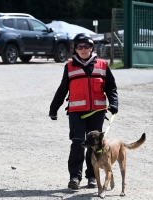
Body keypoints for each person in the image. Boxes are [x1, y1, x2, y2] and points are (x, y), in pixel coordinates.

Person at [49, 33, 118, 190]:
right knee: (78, 143)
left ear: (92, 47)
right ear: (75, 50)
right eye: (80, 47)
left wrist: (114, 103)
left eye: (86, 46)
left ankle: (92, 176)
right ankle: (75, 177)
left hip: (97, 112)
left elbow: (111, 87)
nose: (83, 49)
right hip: (77, 112)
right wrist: (54, 108)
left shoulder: (102, 65)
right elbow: (62, 90)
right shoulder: (69, 67)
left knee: (94, 146)